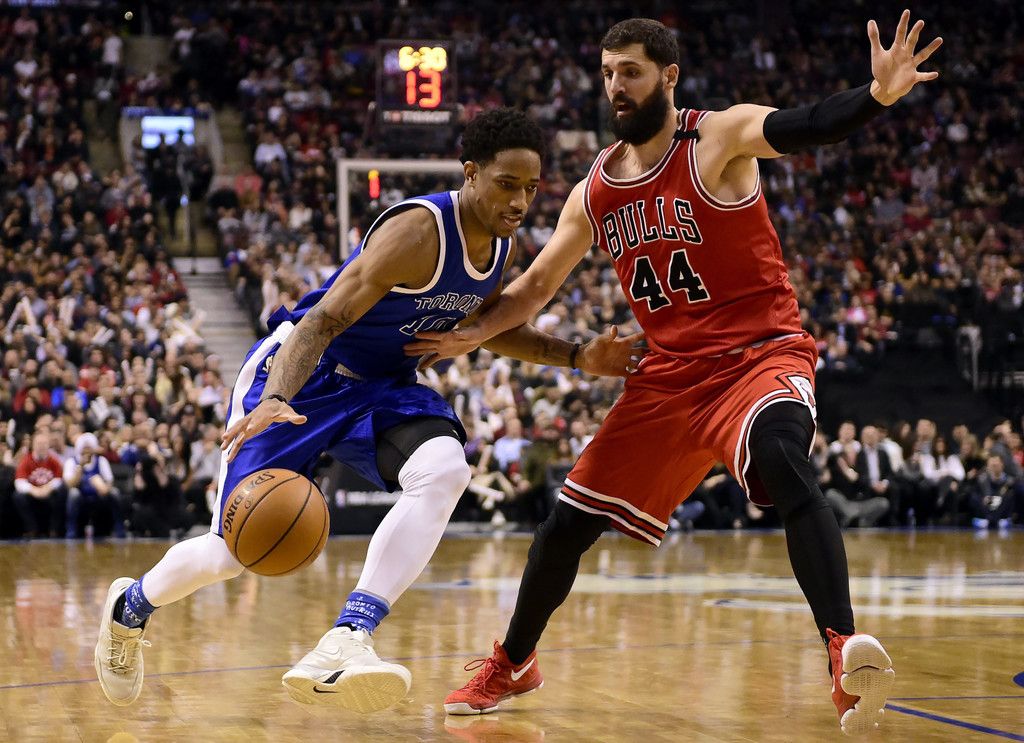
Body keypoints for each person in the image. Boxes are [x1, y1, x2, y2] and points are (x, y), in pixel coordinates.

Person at [410, 14, 942, 735]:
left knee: (782, 457)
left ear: (668, 76)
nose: (615, 86)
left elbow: (810, 124)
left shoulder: (716, 138)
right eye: (607, 73)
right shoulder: (596, 188)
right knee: (565, 524)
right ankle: (513, 660)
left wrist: (875, 96)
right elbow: (533, 288)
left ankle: (842, 648)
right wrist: (470, 331)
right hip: (668, 377)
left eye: (630, 72)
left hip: (759, 355)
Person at [93, 108, 641, 712]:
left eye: (530, 188)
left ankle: (349, 635)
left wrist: (576, 356)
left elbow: (490, 326)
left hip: (382, 388)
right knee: (229, 553)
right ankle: (130, 608)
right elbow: (322, 320)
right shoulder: (417, 232)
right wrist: (276, 398)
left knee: (446, 469)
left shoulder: (499, 244)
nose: (519, 201)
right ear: (471, 174)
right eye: (506, 184)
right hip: (306, 374)